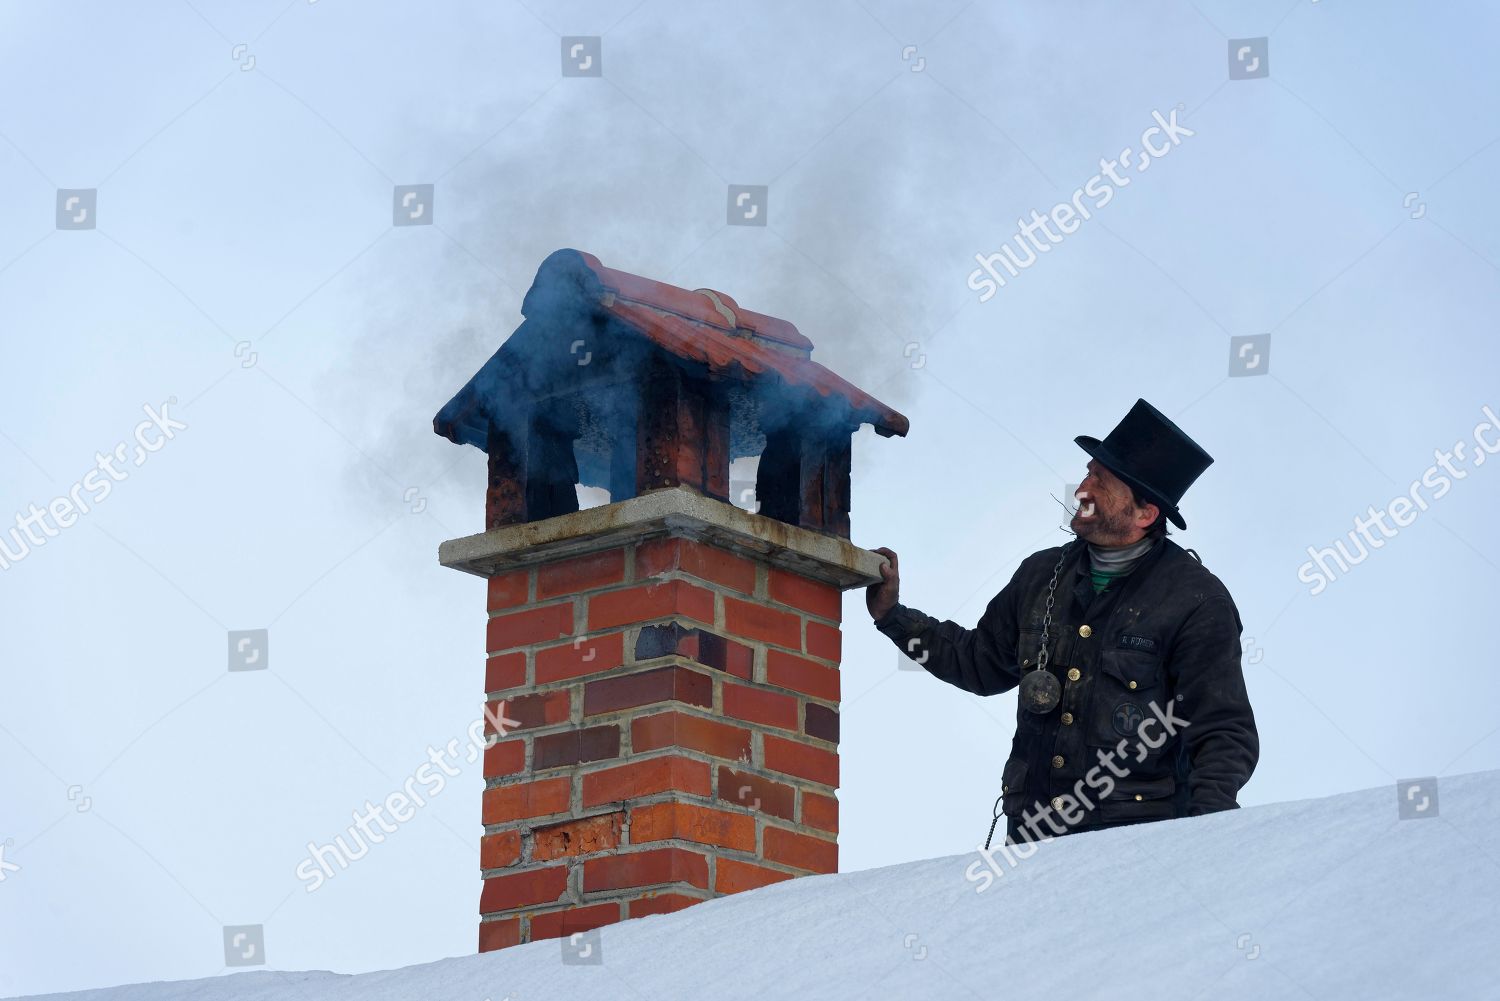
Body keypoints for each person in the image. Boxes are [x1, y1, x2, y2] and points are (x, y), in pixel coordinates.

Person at [868, 399, 1258, 845]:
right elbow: (979, 663)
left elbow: (1222, 732)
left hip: (1139, 843)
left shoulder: (1197, 601)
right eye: (1088, 472)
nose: (1082, 489)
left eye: (1100, 482)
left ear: (1145, 514)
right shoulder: (1040, 574)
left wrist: (1209, 839)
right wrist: (892, 616)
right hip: (1032, 840)